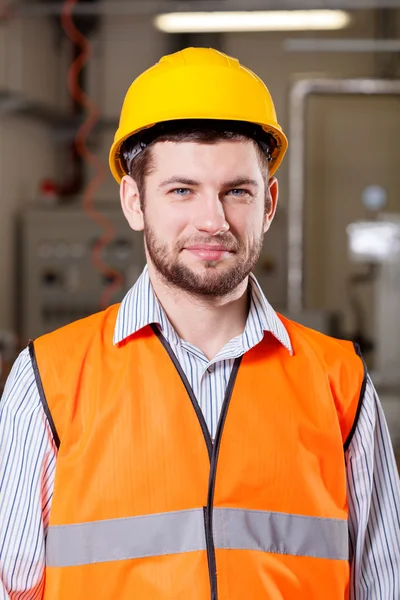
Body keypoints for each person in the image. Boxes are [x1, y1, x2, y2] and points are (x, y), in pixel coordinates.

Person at [0, 47, 399, 600]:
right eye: (182, 190)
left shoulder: (339, 382)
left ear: (269, 204)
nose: (212, 221)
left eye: (236, 191)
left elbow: (384, 584)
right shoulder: (49, 379)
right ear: (134, 202)